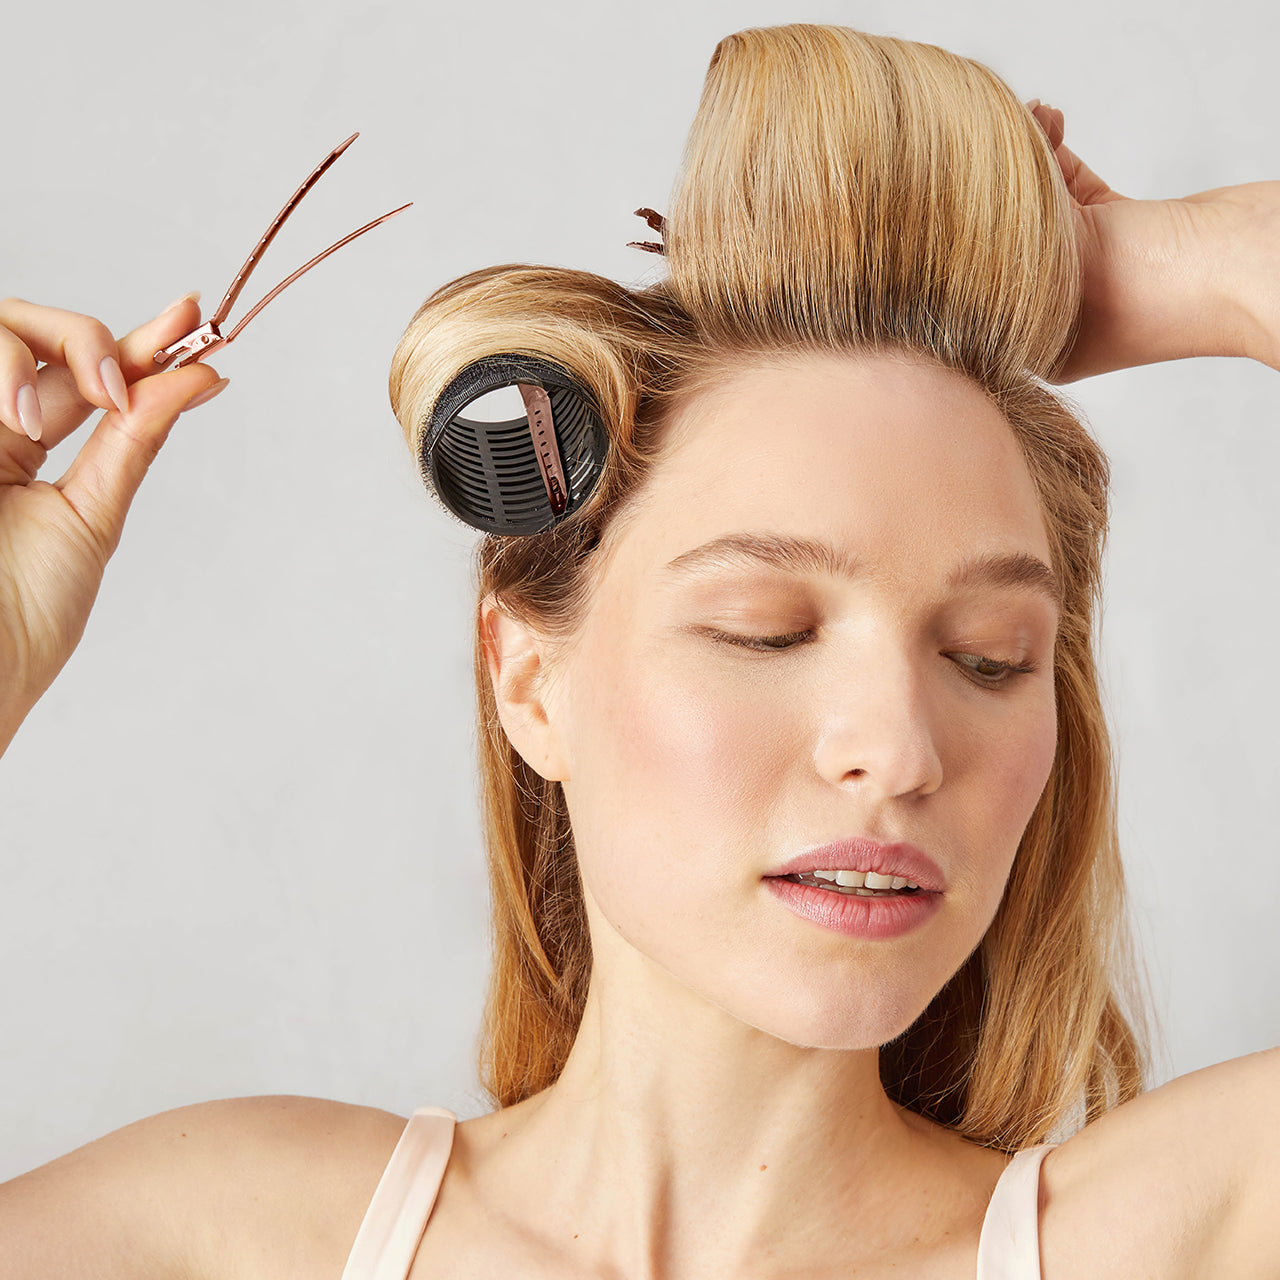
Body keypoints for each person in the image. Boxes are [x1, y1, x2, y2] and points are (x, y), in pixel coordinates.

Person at [1, 21, 1277, 1280]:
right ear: (527, 678)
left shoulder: (1161, 1241)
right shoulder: (223, 1235)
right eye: (765, 629)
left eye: (989, 657)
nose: (896, 750)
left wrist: (1188, 265)